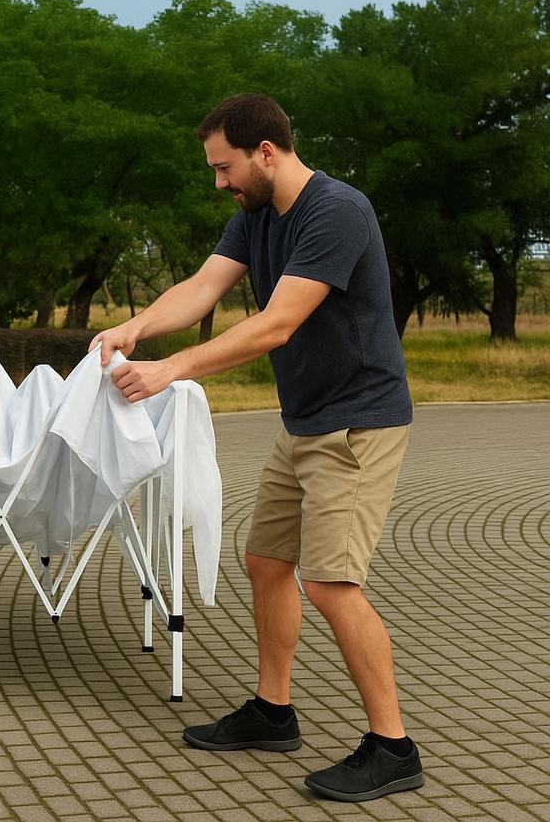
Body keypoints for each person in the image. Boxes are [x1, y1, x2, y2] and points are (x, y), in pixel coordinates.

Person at [89, 93, 424, 803]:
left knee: (331, 583)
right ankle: (273, 713)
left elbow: (276, 324)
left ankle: (394, 748)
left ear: (265, 152)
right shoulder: (256, 215)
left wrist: (170, 369)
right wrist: (135, 328)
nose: (220, 183)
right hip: (305, 420)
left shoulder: (337, 212)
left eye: (225, 167)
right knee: (267, 561)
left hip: (357, 424)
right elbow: (203, 286)